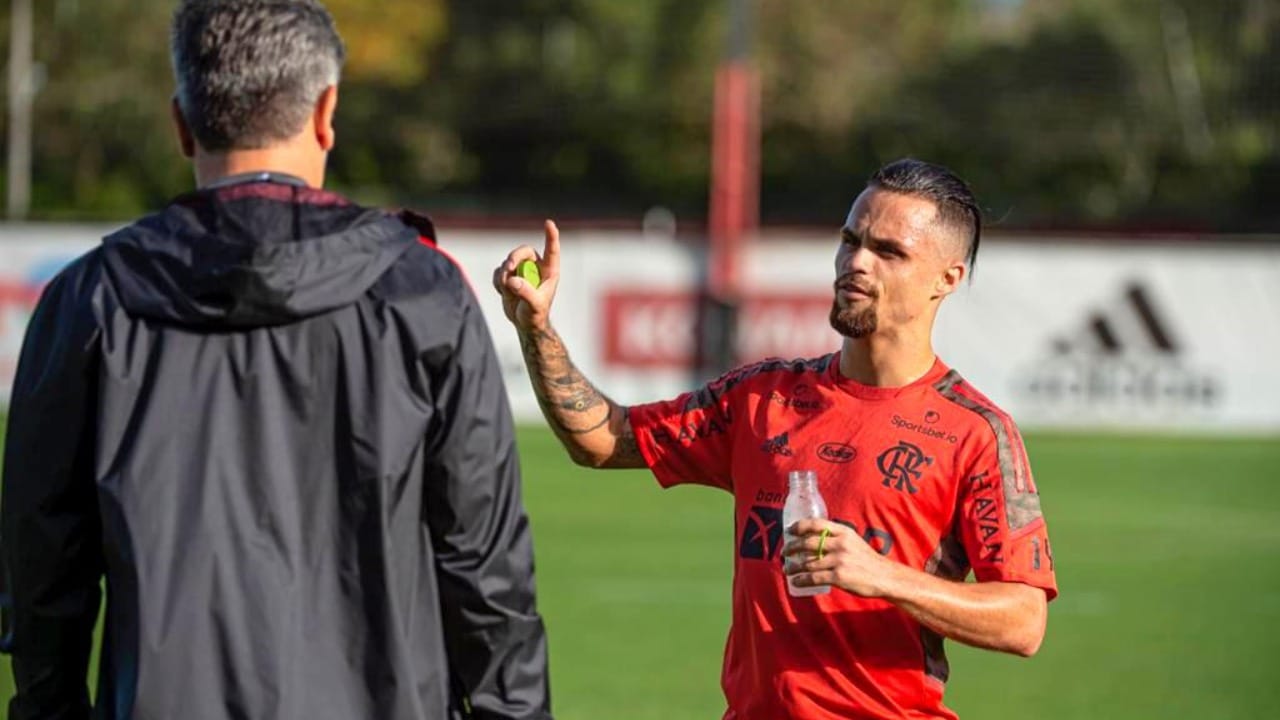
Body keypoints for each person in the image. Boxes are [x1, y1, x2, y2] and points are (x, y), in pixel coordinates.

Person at [0, 2, 551, 718]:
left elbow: (42, 584)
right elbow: (488, 578)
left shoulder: (86, 302)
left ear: (180, 123)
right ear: (327, 111)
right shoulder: (424, 294)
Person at [492, 158, 1057, 720]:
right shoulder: (763, 397)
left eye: (889, 252)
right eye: (849, 239)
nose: (857, 262)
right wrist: (536, 329)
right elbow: (602, 439)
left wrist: (882, 576)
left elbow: (1023, 620)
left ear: (947, 278)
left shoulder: (975, 433)